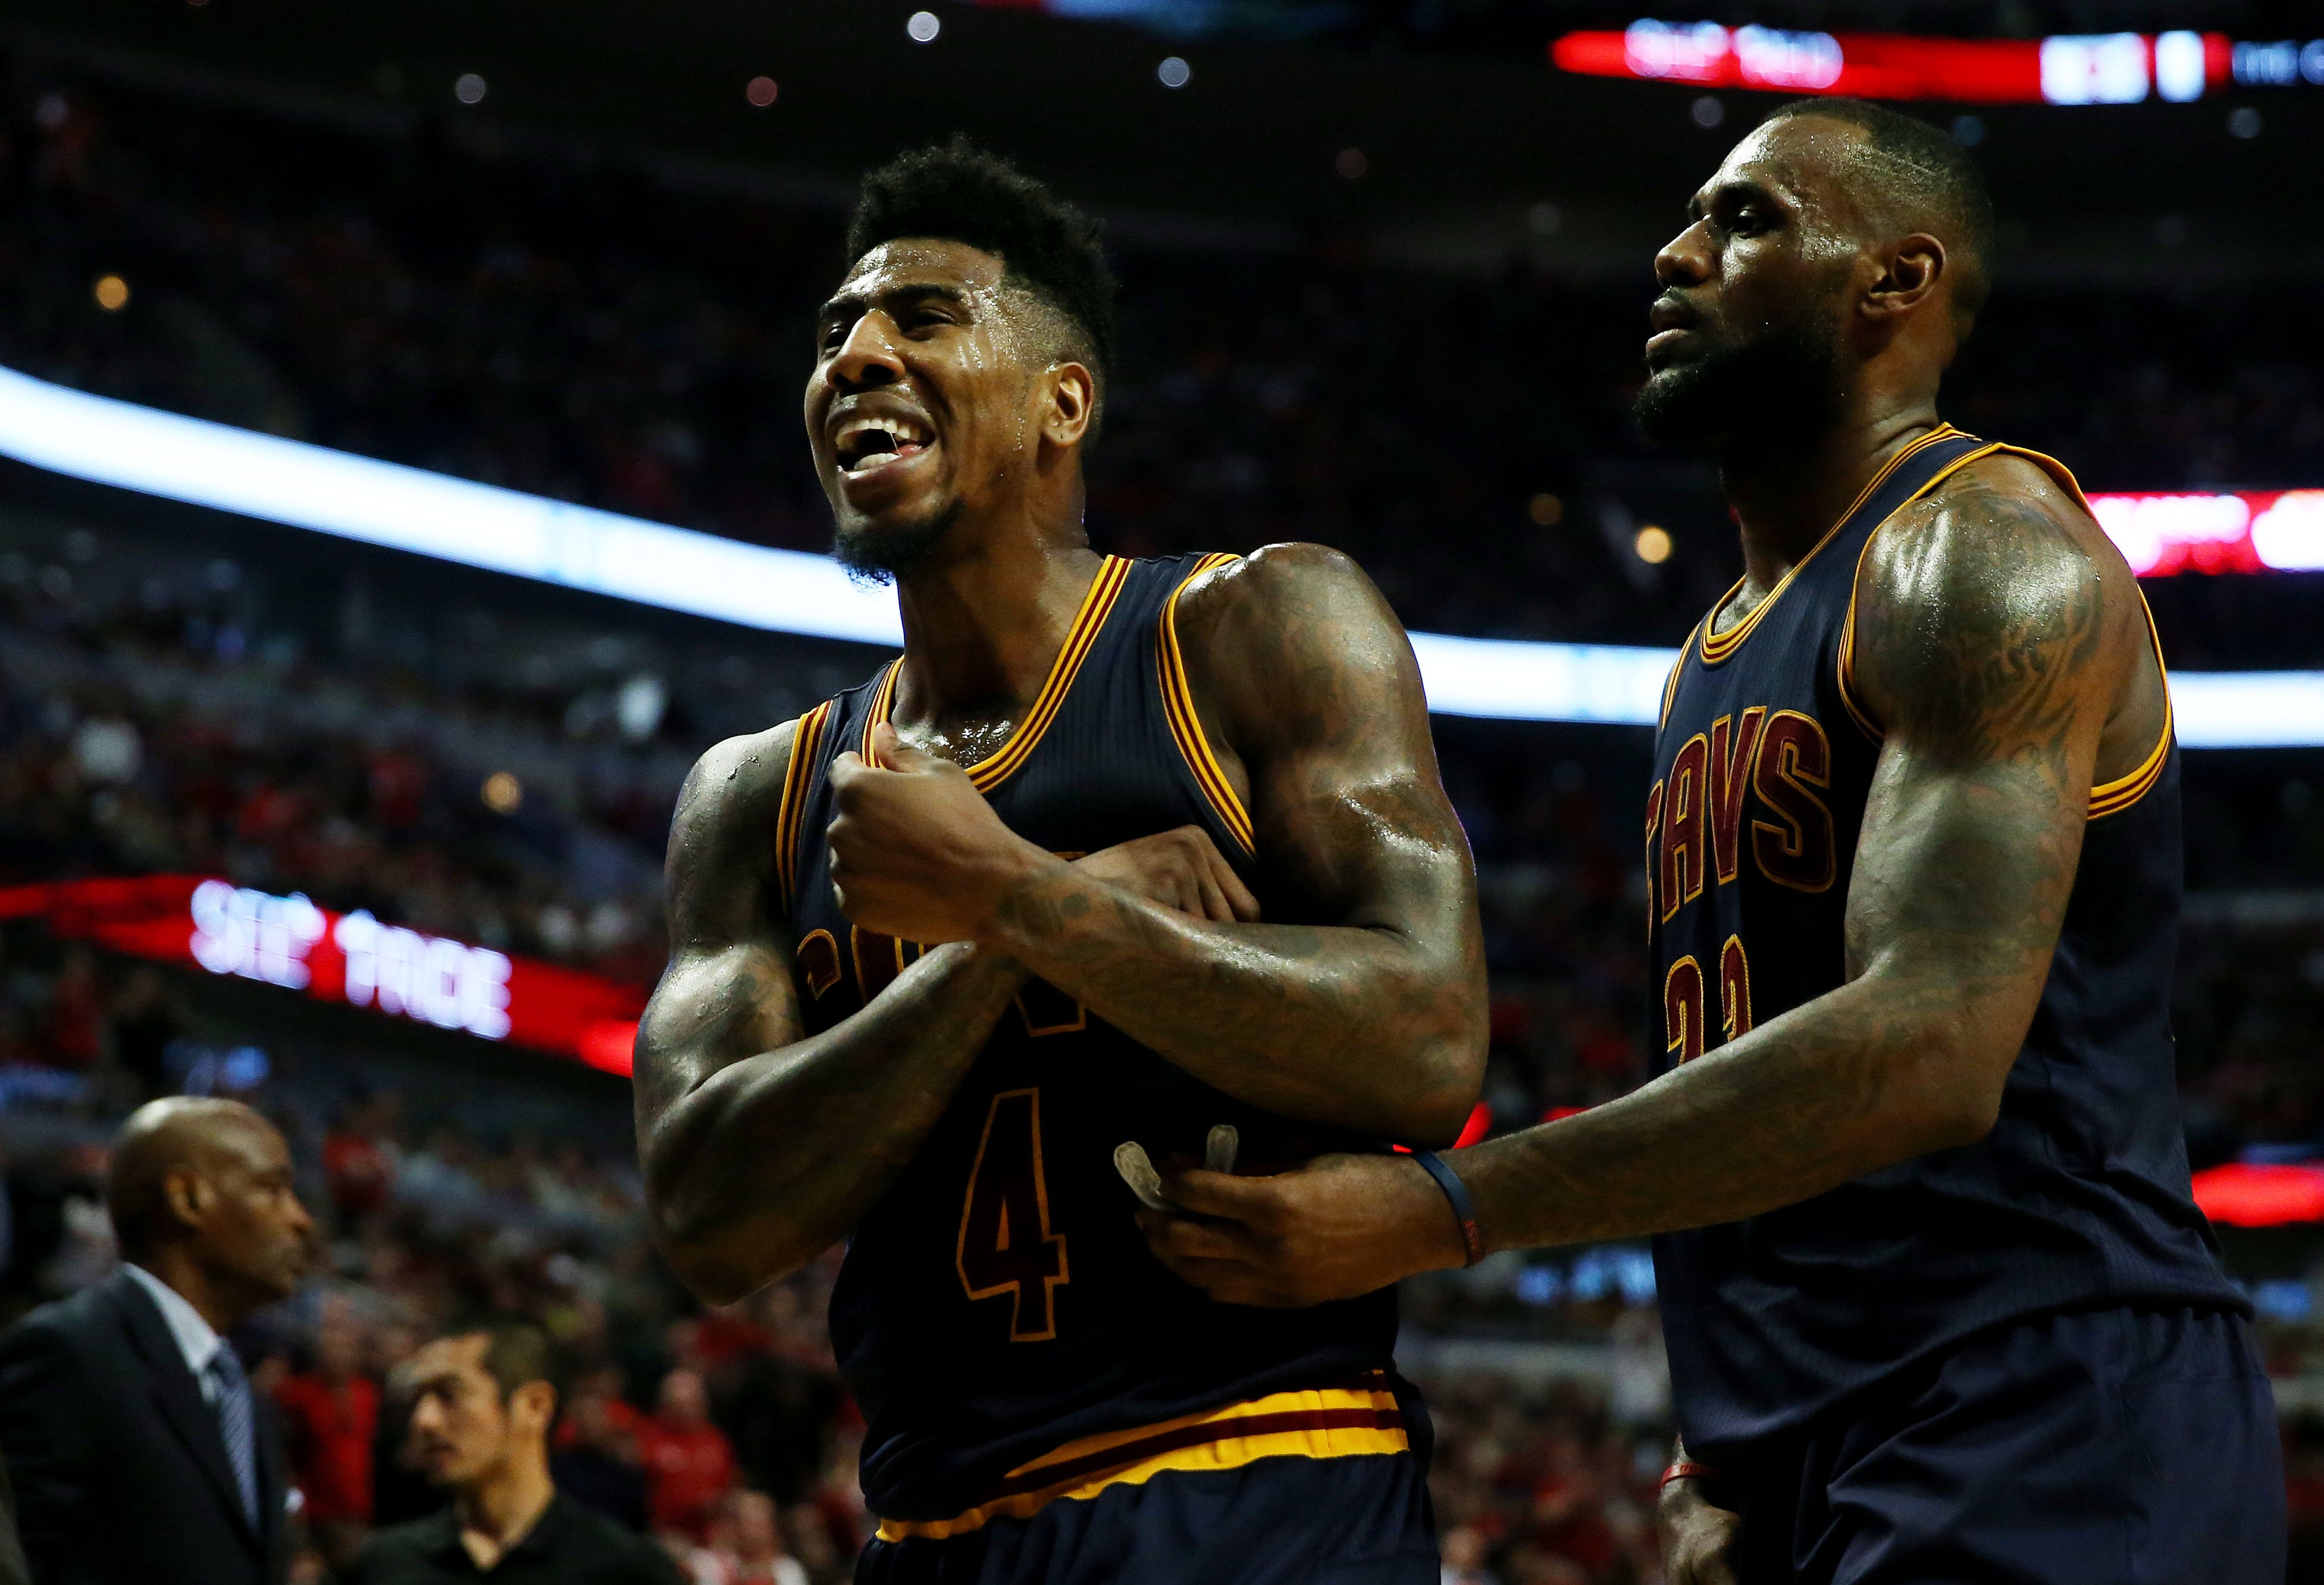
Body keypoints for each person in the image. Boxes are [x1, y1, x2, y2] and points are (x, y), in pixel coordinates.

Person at [1133, 98, 2282, 1584]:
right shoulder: (1707, 655)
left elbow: (1929, 1044)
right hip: (1815, 1433)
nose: (1675, 256)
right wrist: (1723, 1440)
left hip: (2048, 1394)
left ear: (1898, 279)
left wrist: (1450, 1203)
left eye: (1746, 220)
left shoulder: (1978, 550)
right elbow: (1744, 1081)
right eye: (1690, 219)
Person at [635, 139, 1486, 1581]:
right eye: (835, 330)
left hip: (1262, 1473)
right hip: (936, 1522)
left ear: (1061, 403)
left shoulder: (1257, 625)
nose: (858, 355)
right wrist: (1022, 923)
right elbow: (711, 1217)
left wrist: (1015, 893)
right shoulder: (757, 793)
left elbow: (1429, 1039)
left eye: (920, 317)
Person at [0, 1096, 311, 1585]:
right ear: (186, 1198)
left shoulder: (244, 1397)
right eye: (272, 1189)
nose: (301, 1219)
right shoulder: (69, 1353)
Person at [342, 1318, 681, 1583]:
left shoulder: (625, 1571)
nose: (424, 1421)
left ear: (534, 1407)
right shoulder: (382, 1566)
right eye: (418, 1401)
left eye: (449, 1396)